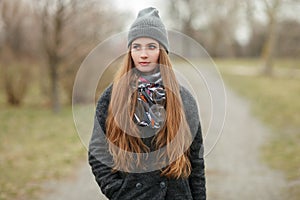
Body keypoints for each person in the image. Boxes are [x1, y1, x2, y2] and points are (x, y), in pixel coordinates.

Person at [88, 7, 206, 200]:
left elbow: (196, 160)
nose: (143, 54)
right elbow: (97, 152)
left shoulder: (184, 99)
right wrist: (118, 191)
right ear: (130, 52)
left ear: (162, 51)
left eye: (151, 46)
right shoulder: (112, 96)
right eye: (137, 47)